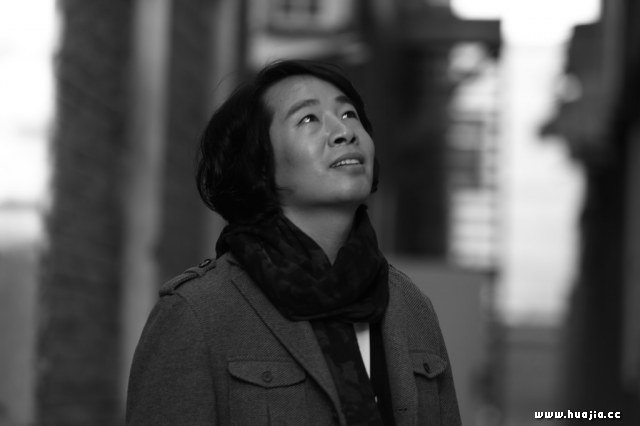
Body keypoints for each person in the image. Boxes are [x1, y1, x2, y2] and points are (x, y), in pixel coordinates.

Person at [126, 59, 461, 425]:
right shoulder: (197, 313)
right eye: (308, 118)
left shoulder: (411, 306)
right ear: (260, 164)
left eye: (349, 115)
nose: (344, 132)